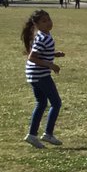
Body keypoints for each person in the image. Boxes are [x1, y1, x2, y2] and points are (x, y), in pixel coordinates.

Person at [20, 9, 66, 148]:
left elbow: (41, 52)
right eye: (44, 21)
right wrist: (51, 65)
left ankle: (32, 135)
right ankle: (48, 134)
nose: (48, 23)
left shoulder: (44, 35)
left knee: (41, 103)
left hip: (34, 75)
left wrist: (54, 54)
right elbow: (32, 57)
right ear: (36, 24)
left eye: (49, 19)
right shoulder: (42, 37)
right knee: (56, 103)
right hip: (39, 75)